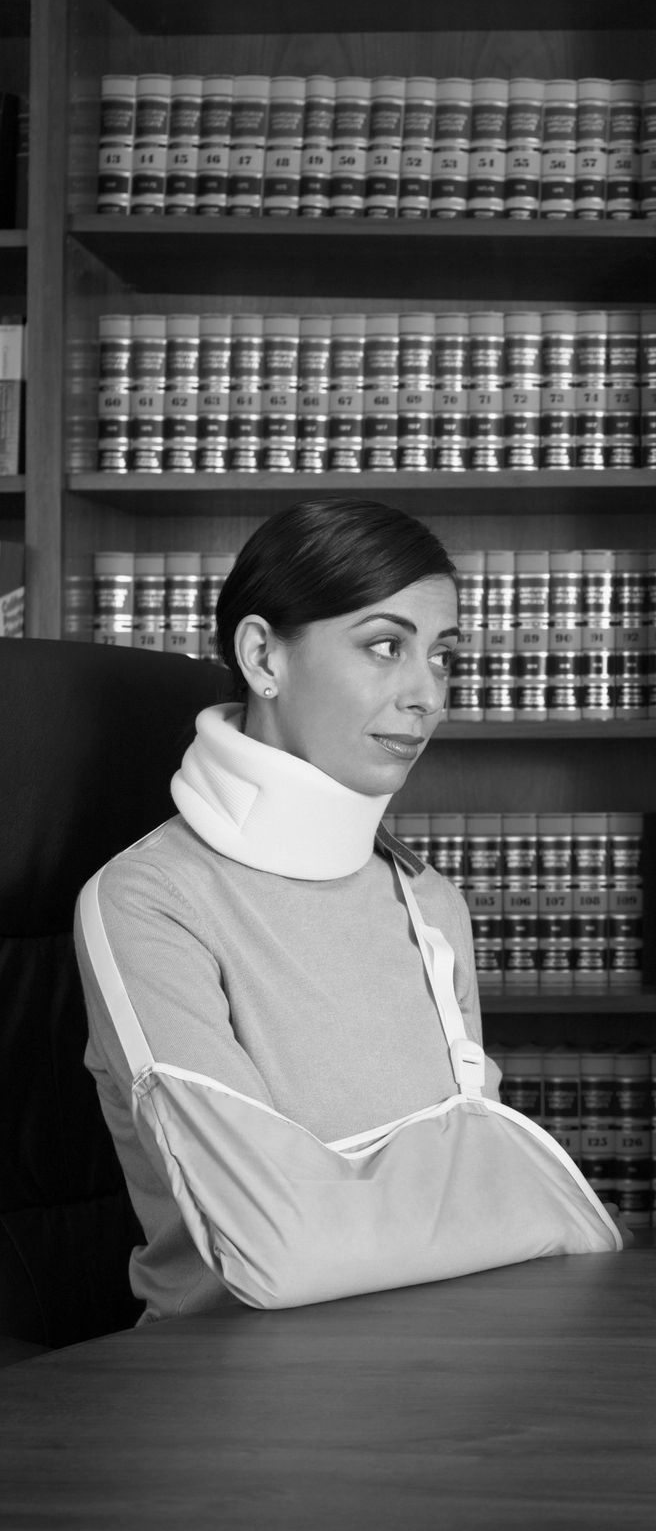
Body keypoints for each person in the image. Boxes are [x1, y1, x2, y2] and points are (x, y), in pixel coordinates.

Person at [76, 497, 617, 1323]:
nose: (427, 695)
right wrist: (511, 1204)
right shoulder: (145, 901)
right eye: (385, 646)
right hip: (221, 1384)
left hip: (452, 1354)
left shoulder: (431, 903)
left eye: (442, 656)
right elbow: (276, 1248)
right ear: (263, 657)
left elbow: (575, 1235)